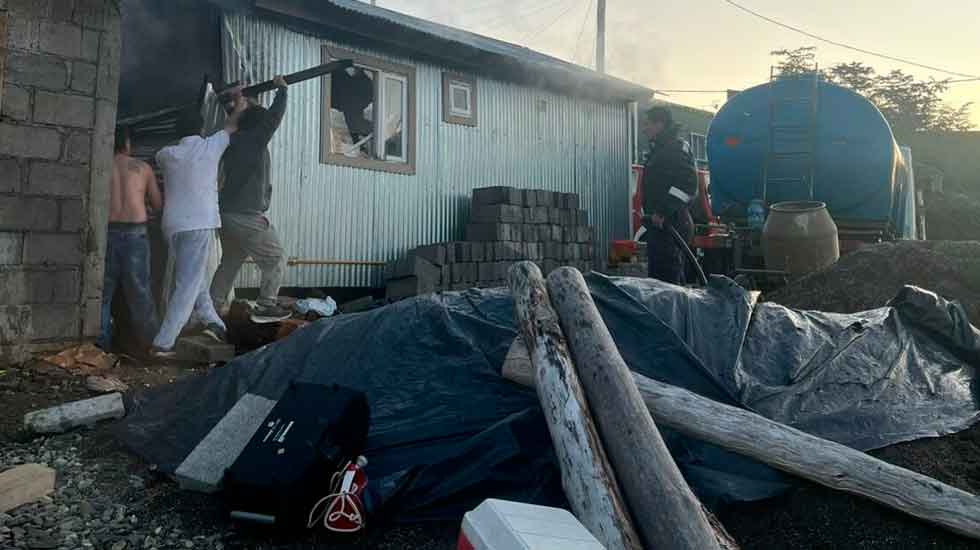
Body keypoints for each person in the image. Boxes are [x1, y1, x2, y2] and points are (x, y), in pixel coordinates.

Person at [151, 91, 247, 358]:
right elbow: (231, 126)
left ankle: (214, 323)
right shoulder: (210, 146)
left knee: (195, 279)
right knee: (187, 284)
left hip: (173, 227)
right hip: (199, 223)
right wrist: (239, 105)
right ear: (201, 128)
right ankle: (163, 342)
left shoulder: (165, 154)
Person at [210, 75, 292, 323]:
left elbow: (246, 117)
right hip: (245, 214)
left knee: (231, 261)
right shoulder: (254, 141)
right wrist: (282, 91)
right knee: (275, 257)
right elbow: (273, 119)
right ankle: (267, 304)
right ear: (258, 124)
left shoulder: (233, 140)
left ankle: (212, 306)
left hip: (227, 212)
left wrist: (237, 100)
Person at [98, 126, 163, 352]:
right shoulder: (142, 168)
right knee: (140, 293)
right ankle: (151, 346)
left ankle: (100, 347)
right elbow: (158, 204)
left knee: (102, 295)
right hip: (136, 236)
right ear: (127, 144)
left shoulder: (99, 165)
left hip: (104, 234)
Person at [640, 106, 698, 285]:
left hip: (672, 222)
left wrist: (663, 211)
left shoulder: (675, 149)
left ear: (660, 124)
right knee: (659, 280)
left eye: (647, 124)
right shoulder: (661, 149)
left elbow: (687, 185)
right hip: (660, 224)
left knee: (669, 280)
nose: (644, 128)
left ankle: (674, 313)